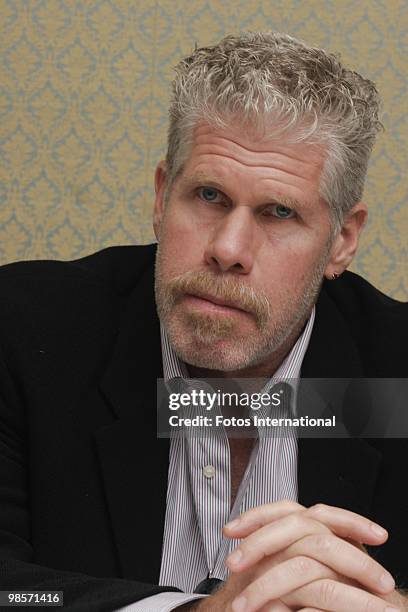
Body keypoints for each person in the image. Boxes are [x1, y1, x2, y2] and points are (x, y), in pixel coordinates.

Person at [0, 31, 407, 612]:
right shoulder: (23, 331)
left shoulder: (398, 373)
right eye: (210, 196)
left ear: (342, 241)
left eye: (279, 212)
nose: (229, 248)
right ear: (163, 196)